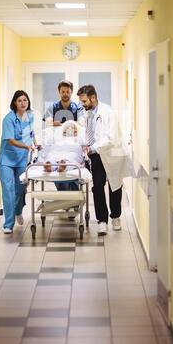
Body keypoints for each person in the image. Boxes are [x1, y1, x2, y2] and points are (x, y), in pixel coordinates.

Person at [77, 84, 122, 235]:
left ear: (93, 98)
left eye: (84, 101)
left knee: (114, 186)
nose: (82, 104)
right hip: (95, 155)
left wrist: (92, 147)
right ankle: (102, 221)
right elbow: (89, 133)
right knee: (97, 187)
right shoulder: (88, 113)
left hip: (110, 153)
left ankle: (116, 216)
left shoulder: (108, 112)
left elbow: (111, 137)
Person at [0, 90, 37, 234]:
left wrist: (36, 143)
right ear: (15, 102)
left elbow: (32, 133)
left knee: (21, 189)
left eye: (25, 100)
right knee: (8, 191)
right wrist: (27, 146)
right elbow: (10, 140)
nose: (23, 103)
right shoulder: (8, 119)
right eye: (19, 100)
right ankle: (8, 224)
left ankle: (18, 210)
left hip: (21, 159)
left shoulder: (31, 117)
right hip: (7, 160)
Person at [40, 121, 85, 191]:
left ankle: (61, 167)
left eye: (73, 131)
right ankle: (51, 167)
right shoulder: (56, 140)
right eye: (65, 132)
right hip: (56, 154)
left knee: (70, 159)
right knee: (52, 158)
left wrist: (83, 161)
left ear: (77, 133)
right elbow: (47, 151)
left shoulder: (79, 140)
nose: (69, 133)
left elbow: (82, 153)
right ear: (62, 133)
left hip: (71, 153)